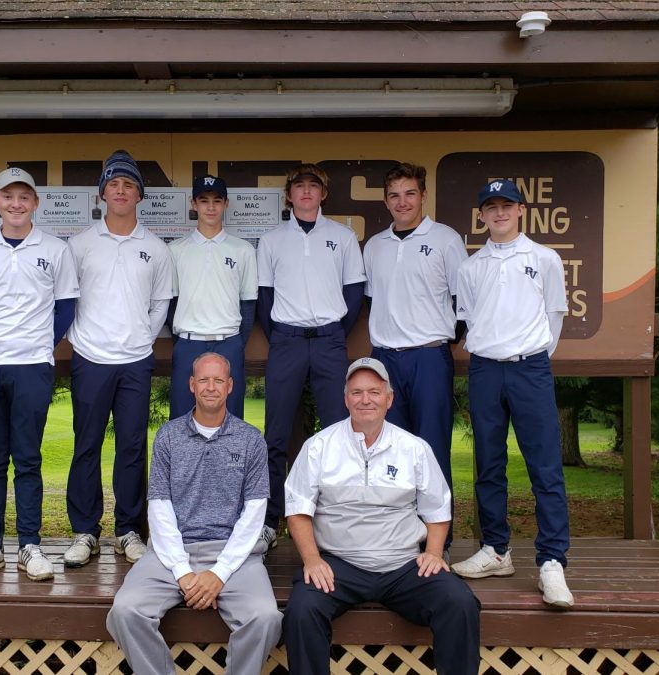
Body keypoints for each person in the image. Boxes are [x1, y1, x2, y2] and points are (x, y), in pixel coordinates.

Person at [283, 357, 480, 674]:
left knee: (459, 603)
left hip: (402, 565)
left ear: (389, 399)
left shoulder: (414, 448)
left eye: (374, 392)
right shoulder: (318, 446)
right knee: (302, 611)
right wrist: (312, 559)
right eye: (357, 392)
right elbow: (297, 511)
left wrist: (432, 552)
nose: (365, 400)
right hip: (338, 565)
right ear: (346, 398)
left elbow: (437, 507)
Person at [107, 352, 282, 674]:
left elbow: (254, 514)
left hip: (235, 553)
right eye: (204, 380)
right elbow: (159, 507)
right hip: (171, 551)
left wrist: (219, 573)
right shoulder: (168, 437)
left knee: (265, 617)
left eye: (218, 380)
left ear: (230, 386)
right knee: (126, 610)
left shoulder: (250, 440)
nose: (211, 387)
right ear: (192, 385)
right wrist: (183, 571)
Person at [451, 178, 574, 609]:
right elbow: (467, 318)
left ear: (521, 210)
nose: (499, 213)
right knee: (489, 464)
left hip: (530, 369)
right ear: (481, 215)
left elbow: (554, 316)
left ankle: (552, 561)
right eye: (491, 206)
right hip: (484, 370)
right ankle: (496, 550)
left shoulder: (544, 258)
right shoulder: (471, 267)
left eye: (507, 205)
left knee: (545, 467)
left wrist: (529, 355)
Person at [0, 166, 79, 583]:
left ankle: (30, 544)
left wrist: (41, 345)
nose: (15, 204)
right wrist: (2, 339)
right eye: (7, 196)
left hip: (32, 364)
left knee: (27, 459)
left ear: (35, 204)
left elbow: (65, 307)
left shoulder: (56, 249)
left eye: (23, 197)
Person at [63, 150, 173, 567]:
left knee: (131, 446)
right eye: (114, 184)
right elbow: (66, 298)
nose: (121, 190)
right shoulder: (80, 245)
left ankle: (128, 530)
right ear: (103, 193)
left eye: (129, 185)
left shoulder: (156, 248)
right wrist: (78, 337)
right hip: (91, 358)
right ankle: (85, 531)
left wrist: (143, 337)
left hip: (135, 361)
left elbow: (161, 301)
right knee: (86, 445)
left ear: (139, 195)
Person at [256, 163, 365, 548]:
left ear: (323, 193)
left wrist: (330, 332)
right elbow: (264, 299)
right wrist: (286, 334)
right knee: (276, 435)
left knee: (340, 433)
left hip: (329, 343)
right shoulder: (270, 240)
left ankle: (336, 521)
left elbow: (354, 296)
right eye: (299, 186)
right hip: (285, 341)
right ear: (289, 194)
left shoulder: (343, 237)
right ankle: (271, 522)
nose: (306, 192)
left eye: (313, 186)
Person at [362, 162, 468, 553]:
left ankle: (438, 540)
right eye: (394, 195)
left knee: (432, 449)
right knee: (387, 450)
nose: (402, 202)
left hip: (428, 358)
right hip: (385, 360)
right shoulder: (375, 246)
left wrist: (441, 342)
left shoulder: (445, 240)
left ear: (423, 195)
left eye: (409, 193)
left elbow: (464, 300)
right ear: (386, 201)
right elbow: (373, 298)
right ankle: (399, 538)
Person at [168, 175, 257, 419]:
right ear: (193, 204)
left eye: (217, 201)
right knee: (182, 418)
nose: (210, 207)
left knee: (230, 418)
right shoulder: (176, 250)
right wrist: (183, 339)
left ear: (226, 204)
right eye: (203, 200)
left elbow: (248, 305)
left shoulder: (243, 250)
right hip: (188, 342)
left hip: (228, 342)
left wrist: (236, 341)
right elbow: (171, 303)